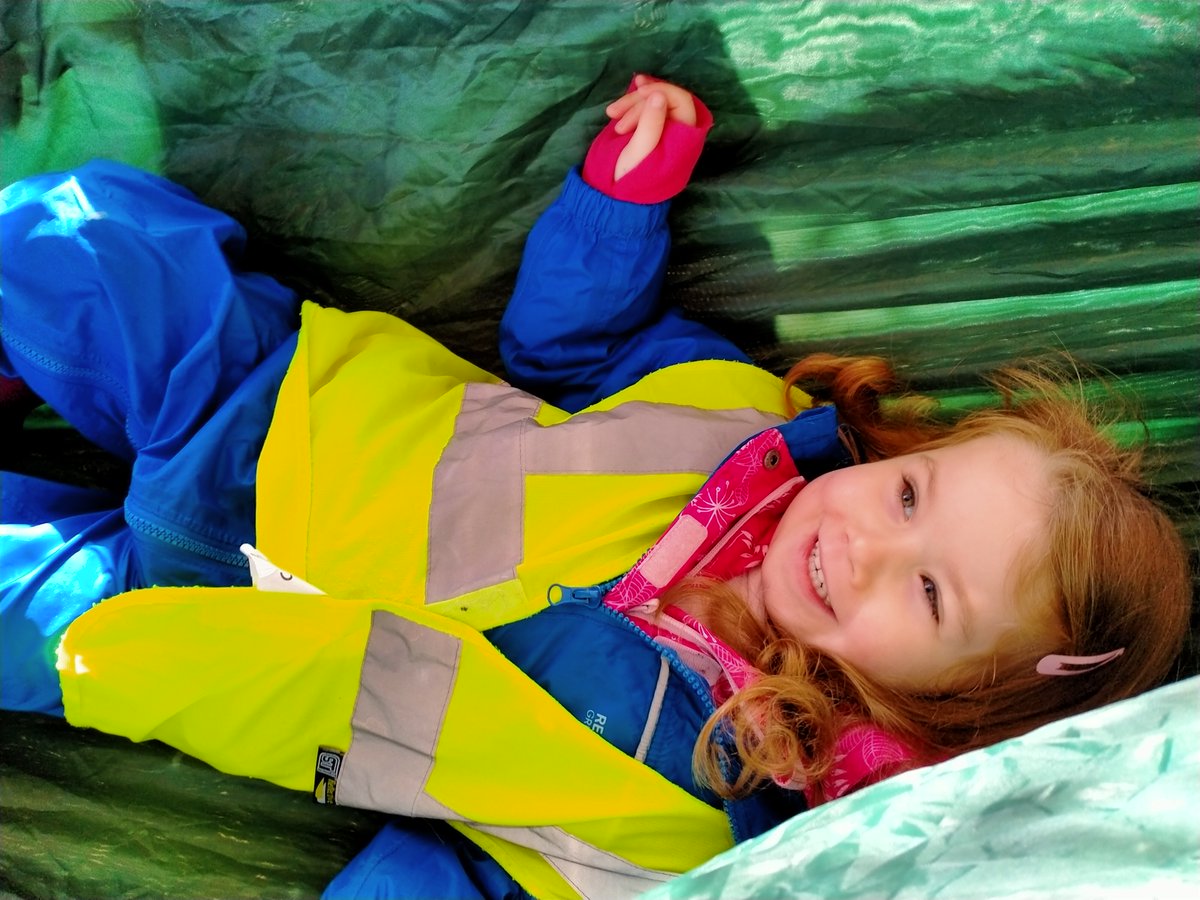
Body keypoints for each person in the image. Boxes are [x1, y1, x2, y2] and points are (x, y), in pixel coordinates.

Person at [1, 76, 1191, 899]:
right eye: (912, 496)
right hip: (279, 411)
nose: (867, 542)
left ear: (951, 717)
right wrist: (619, 207)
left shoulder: (705, 818)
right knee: (91, 244)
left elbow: (474, 871)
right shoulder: (749, 420)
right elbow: (568, 353)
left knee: (24, 609)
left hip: (205, 641)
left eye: (930, 595)